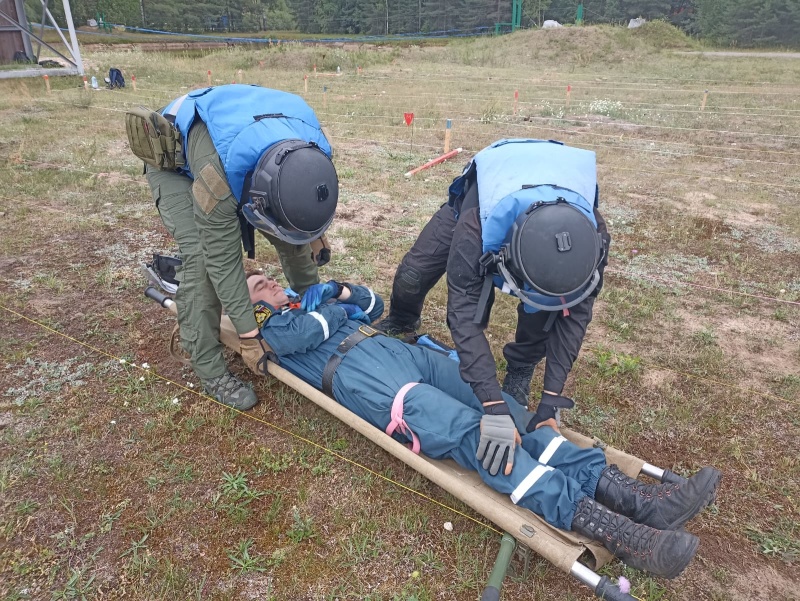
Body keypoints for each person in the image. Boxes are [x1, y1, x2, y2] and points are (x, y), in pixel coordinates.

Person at [246, 271, 721, 580]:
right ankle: (625, 535)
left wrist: (336, 288)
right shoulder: (270, 327)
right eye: (255, 286)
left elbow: (372, 305)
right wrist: (323, 308)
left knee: (504, 409)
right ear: (252, 307)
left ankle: (638, 501)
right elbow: (302, 335)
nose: (266, 280)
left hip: (407, 355)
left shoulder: (306, 300)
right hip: (365, 379)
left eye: (266, 275)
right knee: (474, 434)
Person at [377, 139, 611, 479]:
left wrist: (551, 399)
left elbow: (574, 318)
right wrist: (491, 403)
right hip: (481, 200)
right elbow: (462, 315)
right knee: (414, 273)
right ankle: (401, 321)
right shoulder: (475, 229)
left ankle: (520, 368)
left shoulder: (591, 245)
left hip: (546, 193)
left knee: (542, 315)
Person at [128, 84, 339, 410]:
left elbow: (298, 222)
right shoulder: (219, 184)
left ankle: (314, 301)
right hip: (176, 158)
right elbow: (222, 262)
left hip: (239, 137)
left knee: (289, 232)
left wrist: (315, 295)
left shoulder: (315, 153)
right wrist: (249, 336)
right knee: (200, 259)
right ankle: (209, 368)